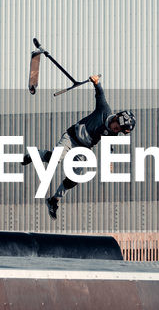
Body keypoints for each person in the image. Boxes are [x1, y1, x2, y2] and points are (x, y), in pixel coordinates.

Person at [24, 75, 136, 219]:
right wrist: (97, 82)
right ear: (116, 118)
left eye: (119, 130)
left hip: (84, 149)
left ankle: (54, 200)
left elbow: (109, 148)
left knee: (75, 176)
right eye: (117, 127)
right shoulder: (104, 110)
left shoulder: (113, 134)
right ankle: (34, 155)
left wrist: (110, 163)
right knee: (55, 159)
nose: (116, 130)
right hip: (71, 137)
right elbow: (100, 94)